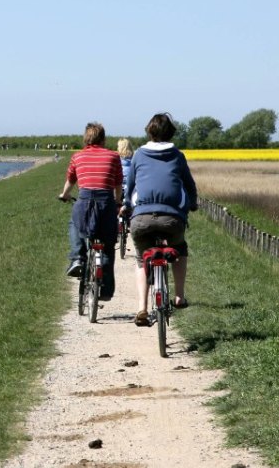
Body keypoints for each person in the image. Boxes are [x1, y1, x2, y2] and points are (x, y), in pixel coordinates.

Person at [123, 113, 198, 326]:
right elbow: (190, 186)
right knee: (180, 248)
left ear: (150, 131)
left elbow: (130, 188)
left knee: (140, 257)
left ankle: (142, 308)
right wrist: (192, 203)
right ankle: (179, 297)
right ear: (171, 132)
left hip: (142, 220)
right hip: (172, 219)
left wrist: (128, 206)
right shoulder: (177, 155)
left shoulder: (138, 155)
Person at [58, 122, 123, 300]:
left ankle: (77, 258)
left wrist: (64, 194)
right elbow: (118, 183)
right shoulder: (113, 156)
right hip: (106, 204)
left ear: (86, 138)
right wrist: (117, 202)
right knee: (108, 247)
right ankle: (107, 291)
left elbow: (70, 180)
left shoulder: (77, 156)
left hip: (84, 201)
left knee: (75, 223)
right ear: (103, 139)